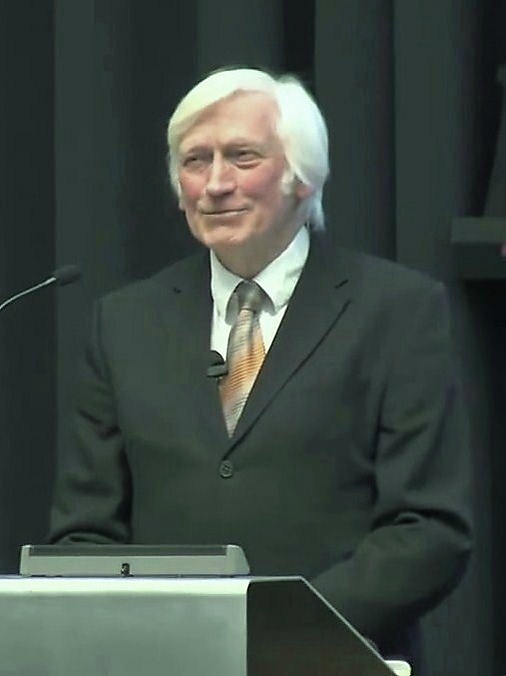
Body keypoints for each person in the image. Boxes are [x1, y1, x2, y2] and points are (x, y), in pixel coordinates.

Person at [48, 67, 472, 665]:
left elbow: (429, 530)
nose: (216, 184)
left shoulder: (397, 311)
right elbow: (84, 535)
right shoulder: (123, 324)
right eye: (195, 161)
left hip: (333, 660)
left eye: (242, 157)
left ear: (303, 176)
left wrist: (279, 633)